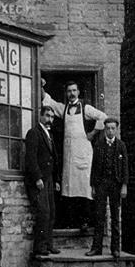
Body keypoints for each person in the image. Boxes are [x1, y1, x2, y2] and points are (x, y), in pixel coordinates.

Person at [42, 79, 106, 233]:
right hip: (69, 154)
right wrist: (41, 86)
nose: (71, 94)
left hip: (83, 153)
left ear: (78, 92)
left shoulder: (85, 108)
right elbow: (48, 101)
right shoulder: (63, 109)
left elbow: (103, 116)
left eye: (74, 91)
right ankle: (72, 221)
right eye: (69, 91)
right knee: (69, 188)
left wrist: (93, 133)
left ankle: (85, 222)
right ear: (66, 93)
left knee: (84, 188)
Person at [86, 117, 128, 258]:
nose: (110, 131)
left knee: (115, 217)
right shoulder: (99, 145)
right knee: (99, 216)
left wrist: (124, 186)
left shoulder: (121, 146)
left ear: (116, 129)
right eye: (108, 128)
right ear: (104, 129)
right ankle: (96, 248)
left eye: (113, 128)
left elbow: (125, 168)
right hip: (101, 184)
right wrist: (93, 186)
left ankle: (115, 249)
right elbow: (94, 166)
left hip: (116, 184)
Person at [25, 105, 61, 257]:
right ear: (40, 116)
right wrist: (38, 178)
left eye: (52, 117)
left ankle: (49, 244)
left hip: (49, 179)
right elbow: (31, 158)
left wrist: (56, 179)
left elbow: (54, 159)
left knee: (51, 212)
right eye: (47, 116)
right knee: (43, 212)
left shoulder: (49, 134)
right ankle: (39, 247)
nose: (49, 119)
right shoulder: (34, 133)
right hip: (39, 180)